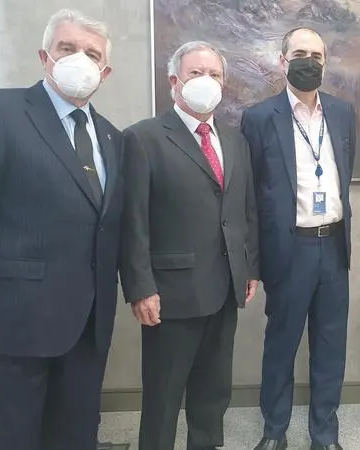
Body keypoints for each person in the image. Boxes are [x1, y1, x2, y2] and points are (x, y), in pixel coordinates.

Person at [0, 9, 122, 450]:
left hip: (88, 328)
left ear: (105, 72)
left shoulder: (112, 138)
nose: (79, 59)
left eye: (92, 54)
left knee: (75, 437)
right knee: (11, 438)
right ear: (45, 57)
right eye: (67, 48)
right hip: (15, 323)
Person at [119, 41, 260, 450]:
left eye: (214, 74)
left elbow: (245, 210)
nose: (206, 81)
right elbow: (133, 221)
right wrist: (140, 287)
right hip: (170, 293)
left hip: (225, 287)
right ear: (174, 81)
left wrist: (249, 268)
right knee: (163, 396)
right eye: (196, 73)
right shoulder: (143, 138)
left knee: (213, 392)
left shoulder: (234, 141)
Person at [240, 27, 356, 450]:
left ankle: (325, 435)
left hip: (334, 247)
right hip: (289, 249)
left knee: (330, 347)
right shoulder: (258, 118)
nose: (309, 61)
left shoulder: (342, 113)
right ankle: (275, 432)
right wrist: (254, 263)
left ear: (325, 61)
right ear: (282, 60)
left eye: (317, 55)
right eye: (300, 53)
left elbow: (342, 175)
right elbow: (251, 197)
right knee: (281, 346)